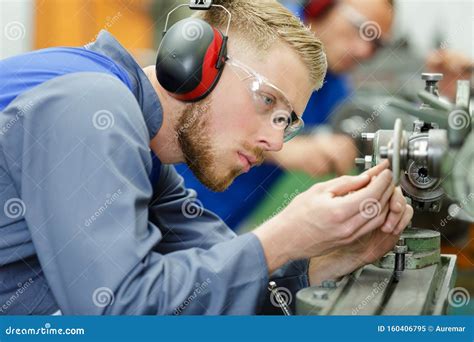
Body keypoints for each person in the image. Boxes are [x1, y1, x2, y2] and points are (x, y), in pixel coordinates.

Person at [0, 0, 412, 315]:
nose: (276, 142)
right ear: (196, 62)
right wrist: (284, 234)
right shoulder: (93, 105)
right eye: (267, 101)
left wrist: (332, 257)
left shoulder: (151, 163)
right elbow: (117, 310)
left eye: (286, 121)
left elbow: (213, 274)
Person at [175, 0, 394, 230]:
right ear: (322, 5)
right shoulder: (263, 26)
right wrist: (285, 150)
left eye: (377, 44)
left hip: (217, 228)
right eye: (362, 29)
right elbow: (208, 100)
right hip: (163, 201)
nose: (364, 51)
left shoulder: (336, 85)